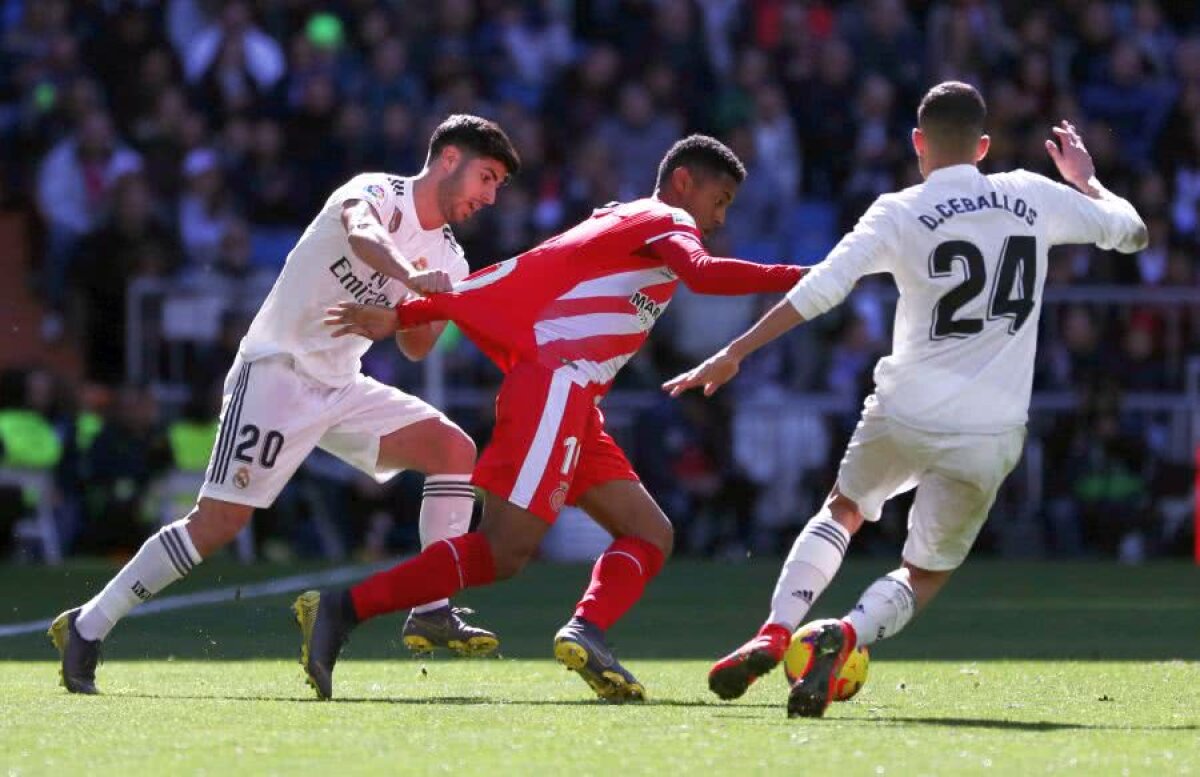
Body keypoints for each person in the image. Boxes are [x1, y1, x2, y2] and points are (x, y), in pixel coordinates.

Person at [663, 82, 1148, 718]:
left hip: (905, 410)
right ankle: (850, 633)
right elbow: (1134, 233)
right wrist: (1087, 182)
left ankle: (776, 630)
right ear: (982, 146)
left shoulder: (898, 209)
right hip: (991, 430)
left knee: (843, 509)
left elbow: (822, 289)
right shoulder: (1034, 195)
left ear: (918, 142)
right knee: (924, 570)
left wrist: (737, 351)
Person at [304, 135, 806, 701]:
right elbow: (704, 275)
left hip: (575, 402)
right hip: (554, 387)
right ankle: (342, 609)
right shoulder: (665, 219)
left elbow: (521, 275)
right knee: (500, 552)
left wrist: (405, 315)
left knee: (649, 533)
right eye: (721, 199)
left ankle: (586, 629)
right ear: (685, 182)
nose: (719, 217)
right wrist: (807, 275)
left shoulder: (626, 219)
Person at [49, 115, 521, 694]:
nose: (490, 197)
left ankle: (432, 605)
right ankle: (88, 626)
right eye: (487, 177)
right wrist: (411, 278)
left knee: (453, 448)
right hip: (277, 371)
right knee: (219, 523)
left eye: (498, 187)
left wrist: (437, 308)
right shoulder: (374, 191)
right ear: (449, 159)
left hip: (342, 382)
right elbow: (360, 236)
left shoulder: (451, 257)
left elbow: (415, 348)